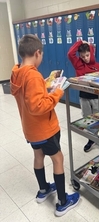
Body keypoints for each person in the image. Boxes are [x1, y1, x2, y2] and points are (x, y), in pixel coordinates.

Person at [10, 34, 80, 217]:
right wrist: (57, 93)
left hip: (30, 129)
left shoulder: (17, 72)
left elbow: (29, 96)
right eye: (41, 55)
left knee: (38, 155)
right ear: (37, 53)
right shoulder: (32, 75)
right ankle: (63, 202)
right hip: (44, 129)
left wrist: (45, 85)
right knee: (58, 159)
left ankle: (43, 190)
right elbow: (38, 106)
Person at [68, 40, 99, 152]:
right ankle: (91, 140)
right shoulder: (78, 64)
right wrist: (80, 42)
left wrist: (89, 45)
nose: (85, 58)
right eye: (82, 56)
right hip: (84, 97)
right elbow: (70, 54)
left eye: (87, 55)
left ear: (91, 53)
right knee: (87, 118)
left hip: (96, 97)